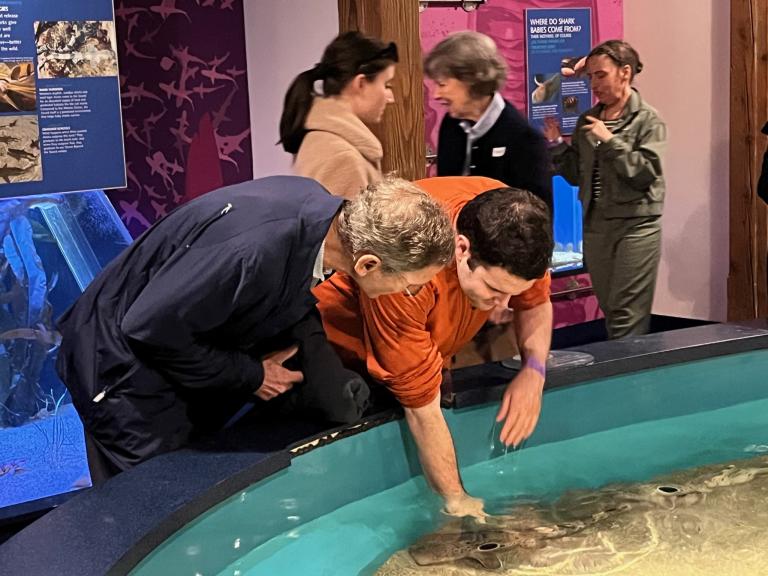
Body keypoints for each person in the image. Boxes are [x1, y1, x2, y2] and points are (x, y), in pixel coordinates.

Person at [56, 176, 455, 483]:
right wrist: (251, 374)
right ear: (368, 264)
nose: (412, 292)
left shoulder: (319, 212)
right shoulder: (252, 253)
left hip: (159, 353)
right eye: (411, 283)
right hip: (115, 368)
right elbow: (148, 327)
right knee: (152, 510)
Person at [314, 176, 553, 517]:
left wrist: (534, 370)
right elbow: (421, 407)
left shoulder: (514, 227)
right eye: (493, 289)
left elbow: (535, 301)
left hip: (433, 345)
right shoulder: (405, 275)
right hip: (340, 350)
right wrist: (457, 501)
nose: (503, 304)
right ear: (461, 248)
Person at [543, 40, 666, 340]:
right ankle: (626, 372)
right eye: (590, 77)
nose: (593, 84)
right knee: (611, 307)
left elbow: (646, 173)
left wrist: (610, 142)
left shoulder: (648, 120)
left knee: (627, 313)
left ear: (624, 73)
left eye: (600, 75)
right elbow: (576, 176)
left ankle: (630, 382)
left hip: (636, 226)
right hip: (596, 224)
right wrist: (558, 145)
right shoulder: (589, 120)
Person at [424, 31, 552, 210]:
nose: (436, 95)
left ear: (471, 79)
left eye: (442, 84)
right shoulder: (450, 125)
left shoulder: (525, 140)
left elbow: (537, 222)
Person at [280, 31, 397, 199]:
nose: (390, 97)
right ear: (361, 83)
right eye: (386, 84)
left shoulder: (325, 141)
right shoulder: (342, 159)